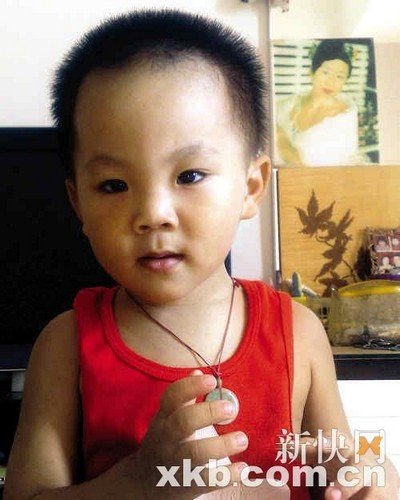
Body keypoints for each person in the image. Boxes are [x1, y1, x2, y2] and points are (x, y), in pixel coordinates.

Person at [4, 10, 399, 500]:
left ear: (251, 187)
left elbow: (335, 466)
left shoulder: (299, 333)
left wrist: (369, 477)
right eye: (113, 185)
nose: (153, 214)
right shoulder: (65, 346)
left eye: (189, 176)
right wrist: (136, 483)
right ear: (78, 203)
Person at [275, 40, 360, 167]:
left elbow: (337, 164)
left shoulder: (344, 118)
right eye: (325, 72)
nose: (331, 82)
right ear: (312, 72)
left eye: (339, 77)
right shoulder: (290, 104)